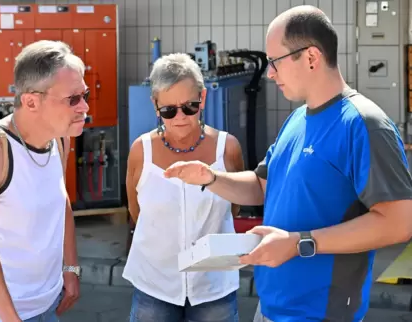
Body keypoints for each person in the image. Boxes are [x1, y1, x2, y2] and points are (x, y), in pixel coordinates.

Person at [164, 5, 412, 322]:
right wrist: (211, 178)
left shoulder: (364, 124)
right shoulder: (297, 119)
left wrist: (300, 244)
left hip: (320, 314)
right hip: (270, 309)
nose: (269, 73)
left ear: (310, 57)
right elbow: (261, 186)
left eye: (275, 62)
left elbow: (398, 223)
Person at [0, 40, 88, 322]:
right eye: (73, 99)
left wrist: (71, 267)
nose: (85, 106)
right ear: (30, 101)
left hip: (47, 301)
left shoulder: (59, 139)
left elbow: (60, 198)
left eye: (84, 95)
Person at [123, 52, 245, 322]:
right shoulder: (141, 151)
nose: (179, 116)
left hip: (214, 284)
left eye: (189, 106)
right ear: (155, 106)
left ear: (202, 98)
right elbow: (135, 210)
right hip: (155, 284)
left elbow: (234, 207)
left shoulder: (228, 149)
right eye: (168, 110)